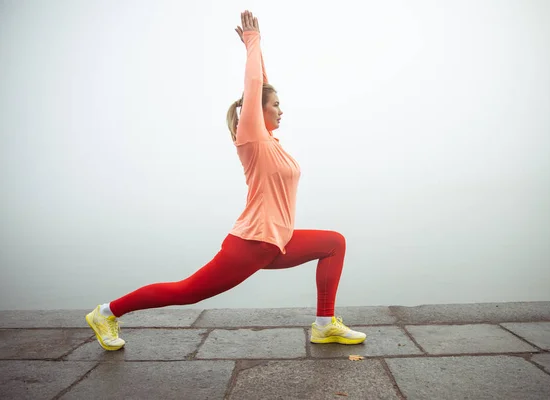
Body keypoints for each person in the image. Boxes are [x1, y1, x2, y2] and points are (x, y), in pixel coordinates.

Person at [85, 10, 366, 351]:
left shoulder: (273, 145)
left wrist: (260, 53)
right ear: (256, 111)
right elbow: (254, 86)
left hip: (276, 241)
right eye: (276, 105)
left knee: (334, 242)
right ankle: (106, 312)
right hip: (251, 244)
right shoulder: (252, 140)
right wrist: (252, 41)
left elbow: (261, 85)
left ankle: (324, 325)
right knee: (186, 291)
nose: (281, 110)